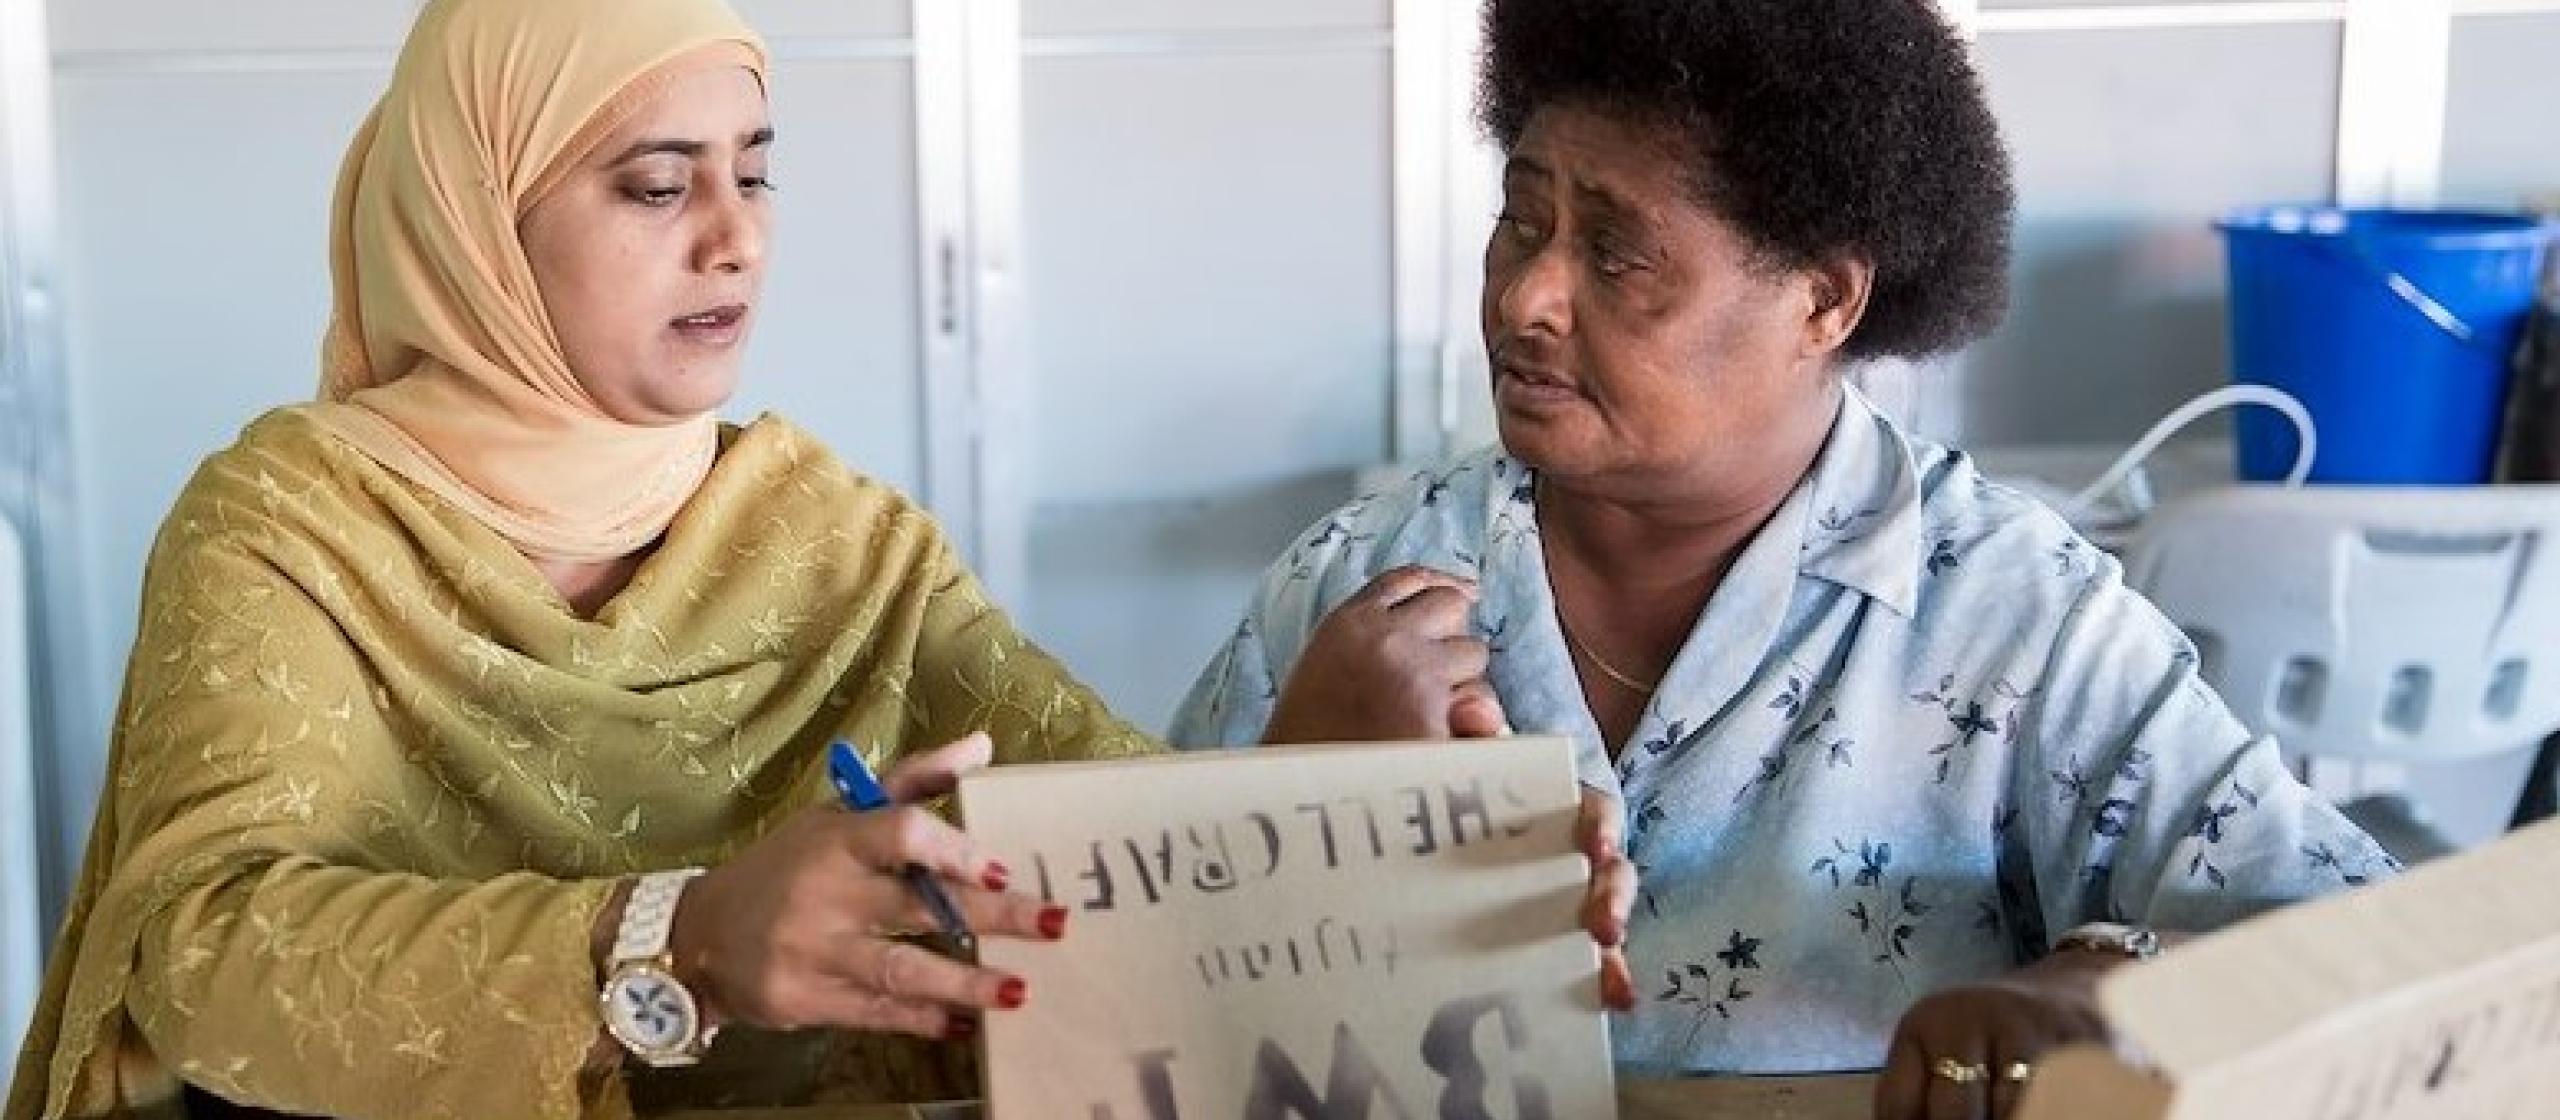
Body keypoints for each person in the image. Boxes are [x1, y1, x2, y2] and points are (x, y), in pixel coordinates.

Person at [1169, 2, 2400, 1118]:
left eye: (1616, 254)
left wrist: (2088, 1000)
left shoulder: (2012, 617)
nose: (1526, 299)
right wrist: (1289, 802)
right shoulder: (1360, 583)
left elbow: (2362, 943)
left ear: (1823, 302)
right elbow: (1117, 1014)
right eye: (1520, 220)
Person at [6, 1, 1158, 1115]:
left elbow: (1119, 820)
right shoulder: (295, 527)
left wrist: (1303, 780)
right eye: (659, 185)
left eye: (753, 173)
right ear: (479, 219)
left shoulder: (836, 542)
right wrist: (677, 934)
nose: (735, 237)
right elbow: (201, 949)